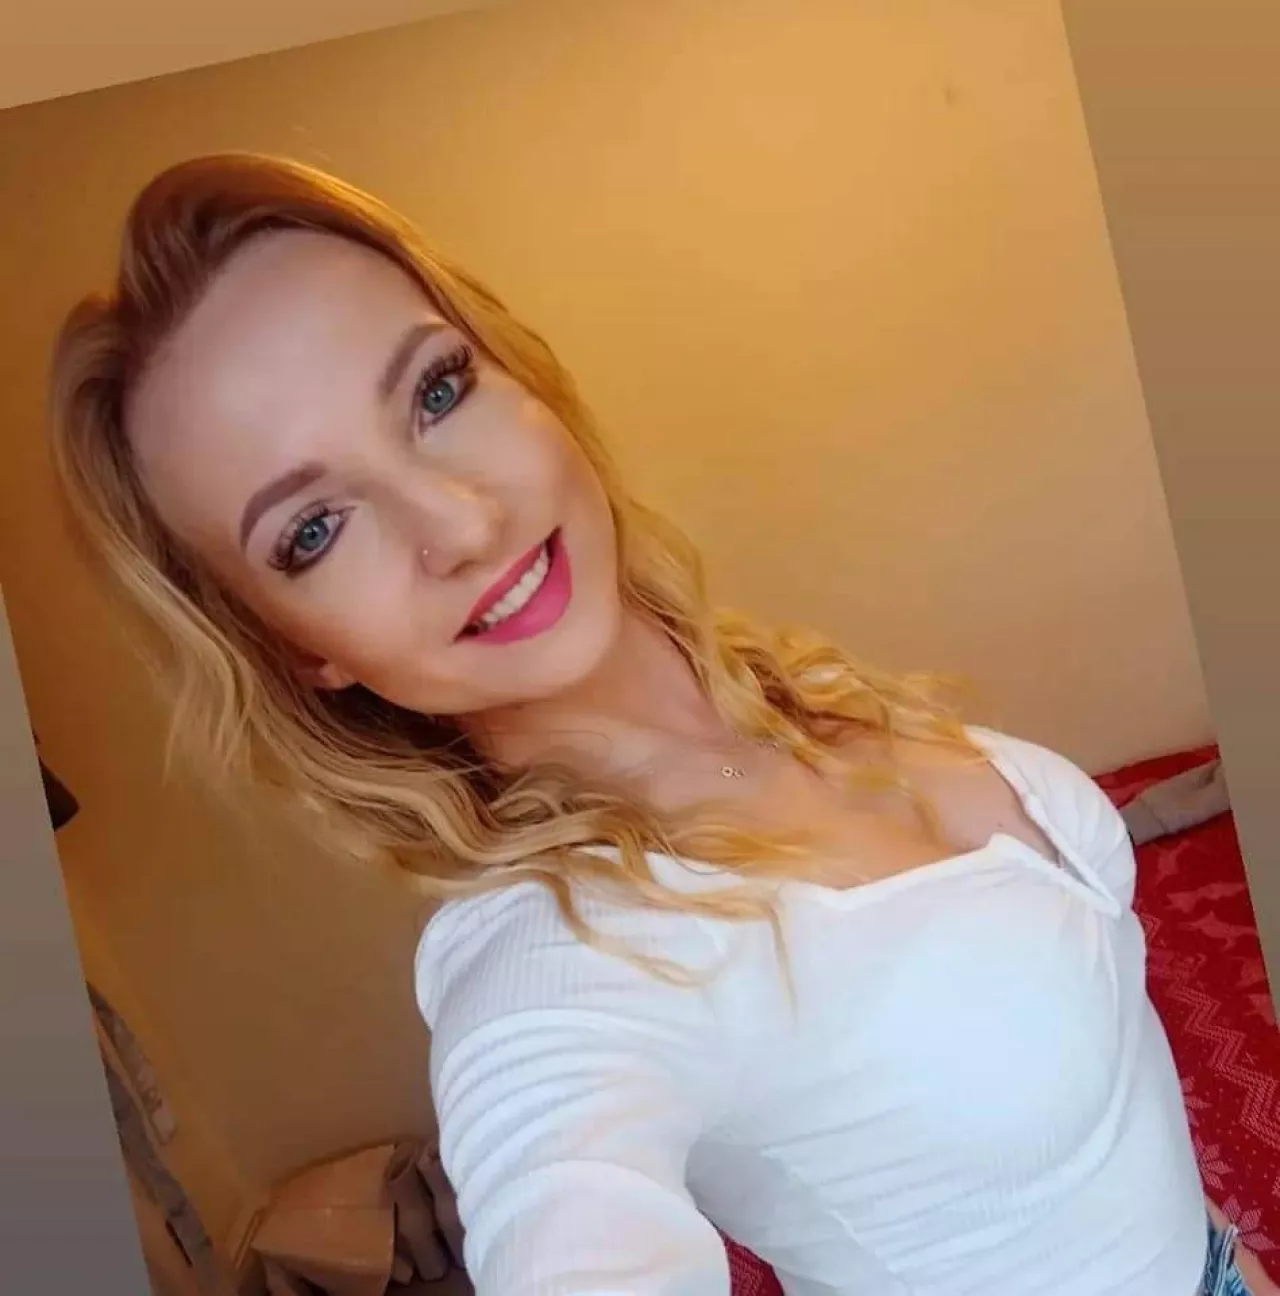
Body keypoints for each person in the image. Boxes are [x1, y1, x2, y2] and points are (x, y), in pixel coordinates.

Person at [47, 153, 1269, 1296]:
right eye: (313, 531)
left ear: (522, 377)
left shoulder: (773, 693)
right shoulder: (562, 964)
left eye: (435, 390)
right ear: (294, 647)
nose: (460, 522)